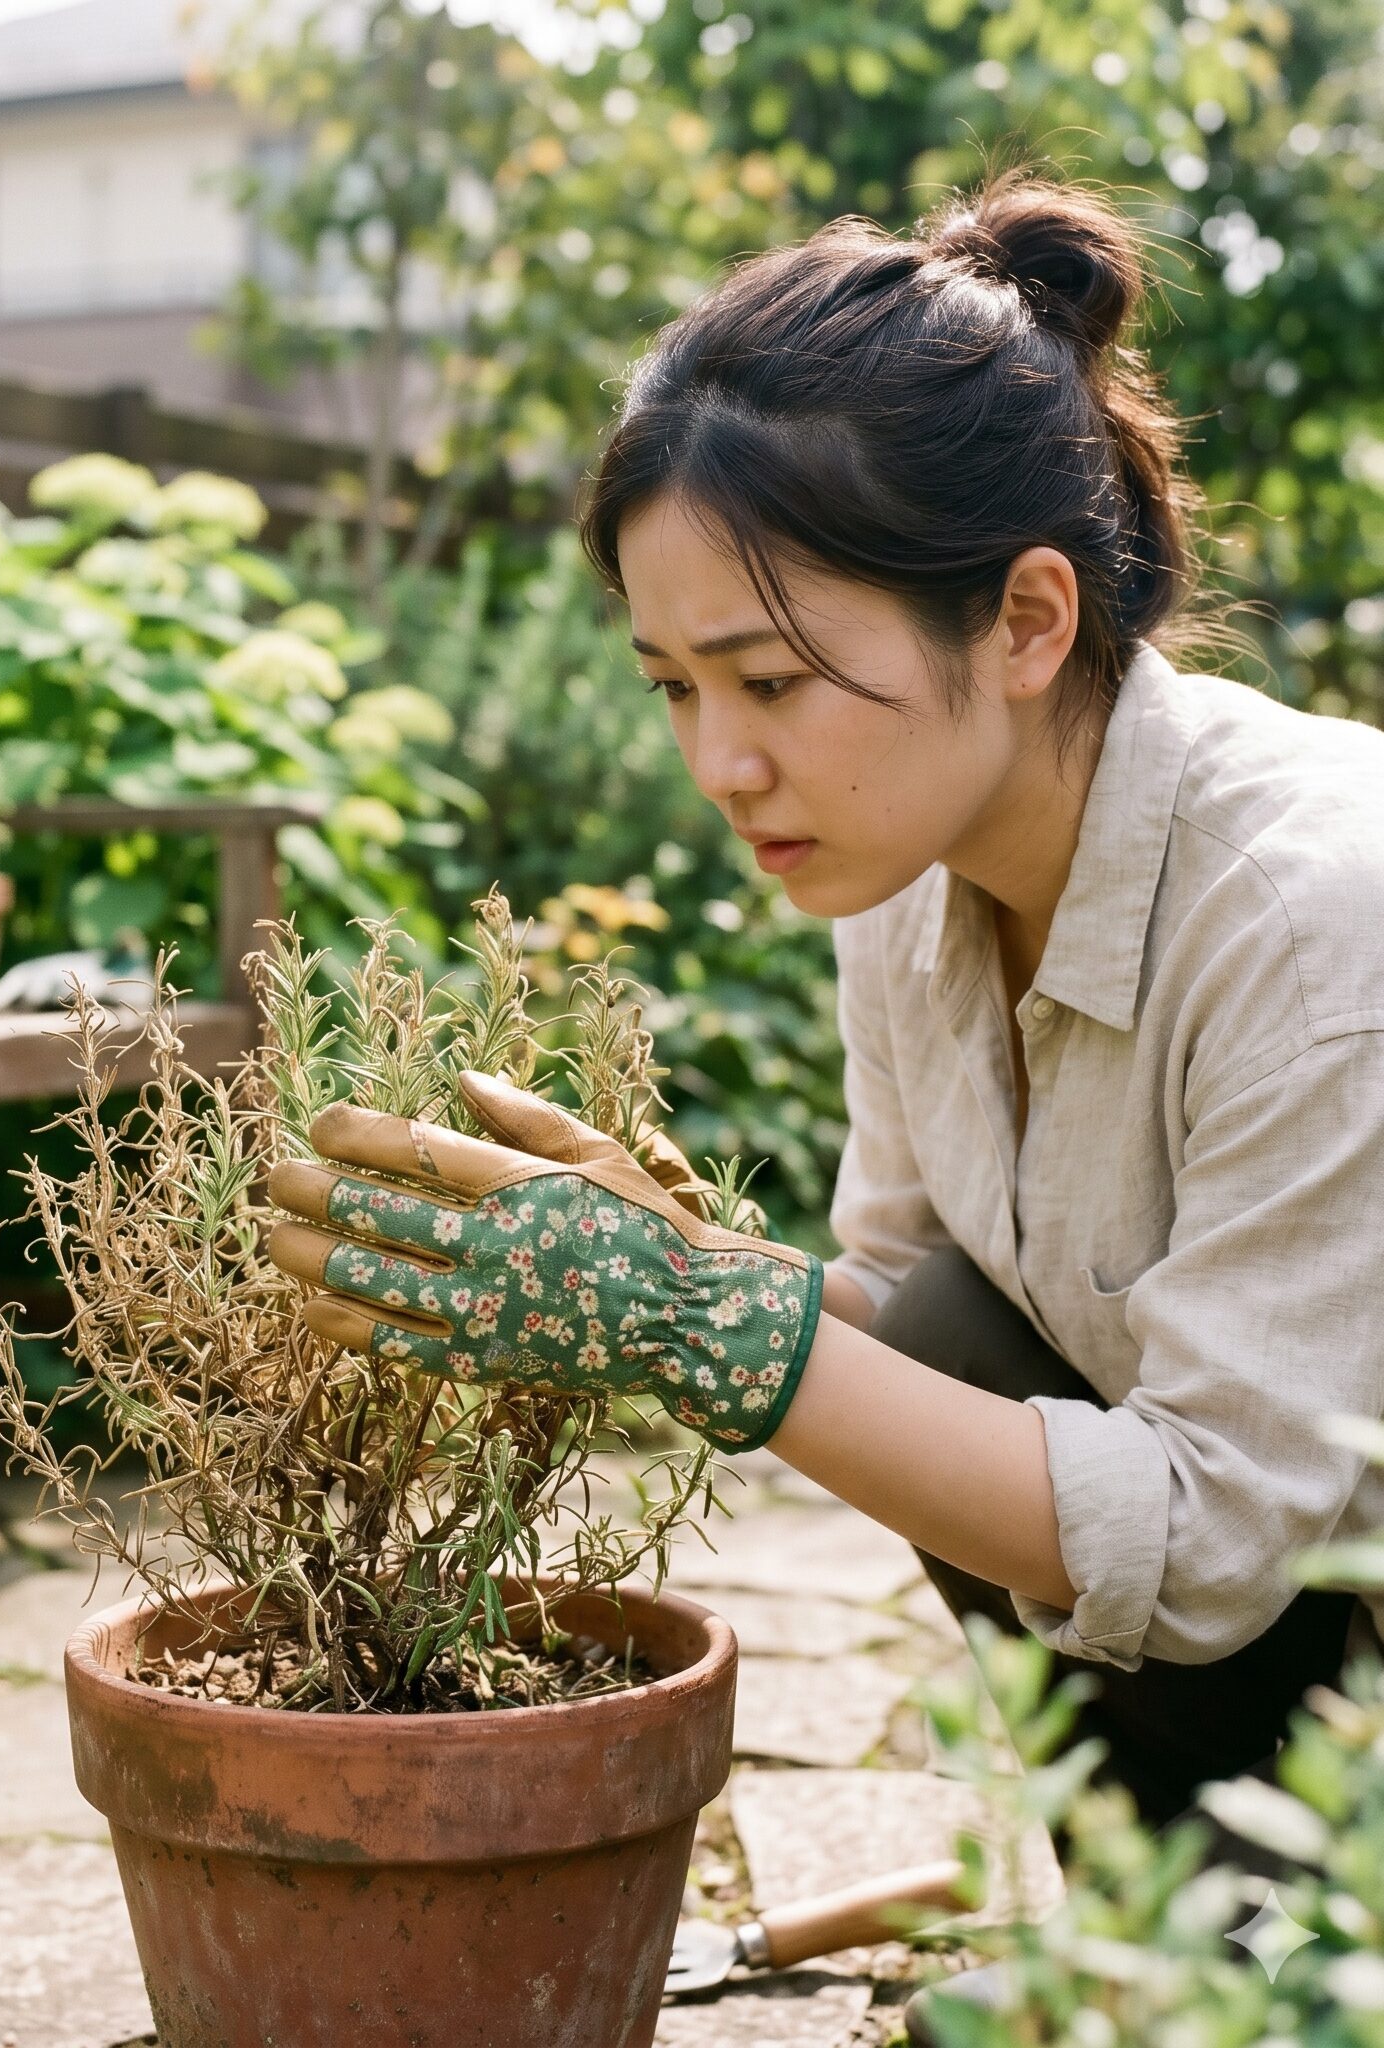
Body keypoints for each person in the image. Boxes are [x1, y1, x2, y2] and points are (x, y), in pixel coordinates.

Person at [265, 163, 1384, 2039]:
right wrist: (653, 1261)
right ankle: (1202, 1917)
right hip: (1281, 1666)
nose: (719, 761)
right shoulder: (914, 866)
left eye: (771, 679)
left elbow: (1211, 1535)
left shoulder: (1314, 920)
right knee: (939, 1329)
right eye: (673, 687)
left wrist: (716, 1326)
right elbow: (914, 1314)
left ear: (1029, 622)